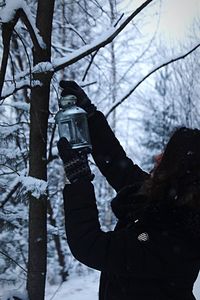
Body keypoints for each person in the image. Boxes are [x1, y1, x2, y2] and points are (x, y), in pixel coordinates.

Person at [57, 80, 200, 300]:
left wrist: (79, 181)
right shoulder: (165, 201)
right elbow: (118, 165)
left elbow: (90, 244)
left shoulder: (173, 237)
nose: (157, 157)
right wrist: (90, 116)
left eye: (166, 154)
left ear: (180, 169)